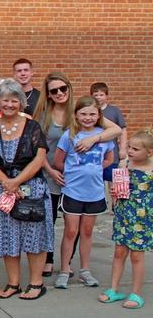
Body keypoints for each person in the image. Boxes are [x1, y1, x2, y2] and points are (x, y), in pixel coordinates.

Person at [0, 80, 54, 300]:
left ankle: (36, 283)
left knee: (34, 236)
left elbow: (39, 159)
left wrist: (16, 182)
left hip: (31, 187)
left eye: (14, 100)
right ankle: (13, 283)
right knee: (7, 237)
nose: (10, 104)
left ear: (21, 102)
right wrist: (7, 184)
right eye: (5, 100)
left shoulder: (33, 127)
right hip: (2, 189)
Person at [53, 96, 115, 289]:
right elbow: (58, 161)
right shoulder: (69, 135)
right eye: (83, 114)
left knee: (87, 232)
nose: (88, 118)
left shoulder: (104, 136)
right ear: (76, 115)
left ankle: (85, 270)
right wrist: (73, 174)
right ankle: (64, 269)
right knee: (71, 231)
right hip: (73, 191)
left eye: (92, 114)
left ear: (98, 116)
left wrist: (94, 169)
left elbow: (109, 159)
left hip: (94, 192)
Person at [99, 129, 153, 309]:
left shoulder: (151, 169)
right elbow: (117, 187)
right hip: (124, 213)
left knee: (137, 255)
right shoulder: (124, 164)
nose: (130, 151)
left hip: (142, 217)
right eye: (129, 146)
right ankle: (114, 288)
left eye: (136, 149)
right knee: (119, 252)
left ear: (149, 152)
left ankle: (136, 293)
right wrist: (114, 191)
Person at [90, 82, 128, 198]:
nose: (98, 97)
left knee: (113, 180)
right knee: (97, 180)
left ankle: (115, 205)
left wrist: (122, 149)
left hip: (113, 153)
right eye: (95, 95)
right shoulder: (90, 111)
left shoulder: (114, 110)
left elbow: (123, 130)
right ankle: (98, 202)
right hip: (96, 153)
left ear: (107, 96)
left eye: (101, 95)